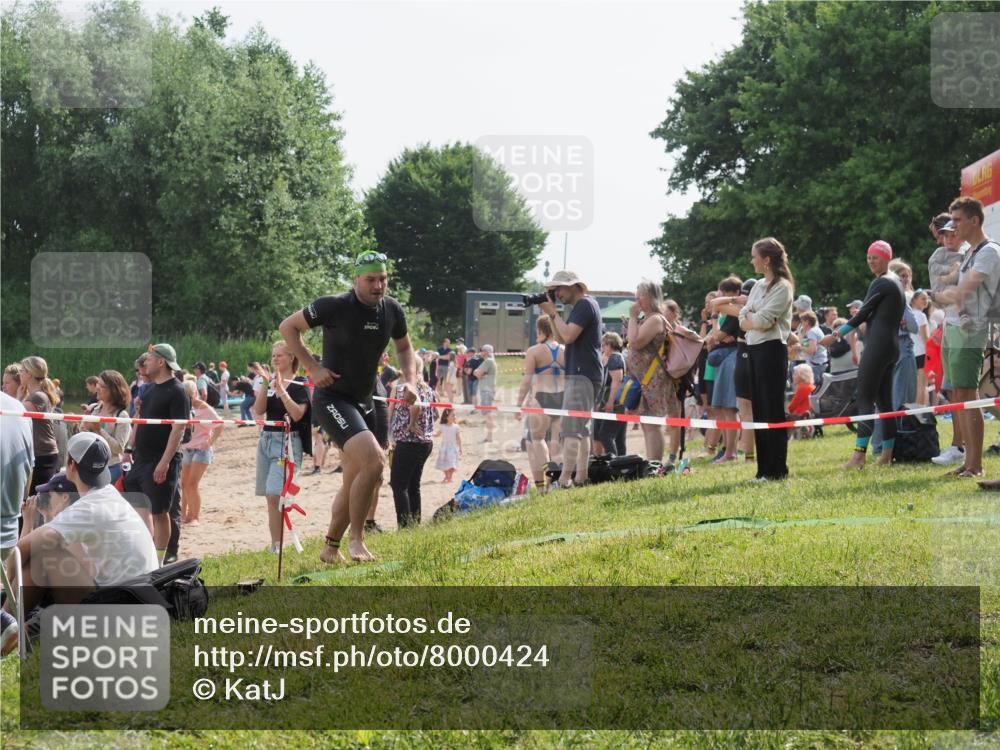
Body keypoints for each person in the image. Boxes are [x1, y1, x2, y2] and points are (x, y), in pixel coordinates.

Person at [278, 250, 416, 563]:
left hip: (365, 400)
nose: (378, 285)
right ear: (356, 279)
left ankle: (330, 548)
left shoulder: (392, 310)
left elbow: (405, 348)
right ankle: (358, 539)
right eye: (371, 280)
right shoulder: (334, 305)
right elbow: (287, 327)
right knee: (375, 462)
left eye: (383, 279)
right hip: (333, 398)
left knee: (359, 477)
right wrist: (313, 367)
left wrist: (410, 380)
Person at [3, 433, 158, 624]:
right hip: (138, 599)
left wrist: (9, 584)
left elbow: (21, 549)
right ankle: (8, 624)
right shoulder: (109, 495)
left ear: (72, 464)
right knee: (47, 554)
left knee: (43, 559)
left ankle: (5, 624)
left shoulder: (89, 506)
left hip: (122, 608)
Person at [929, 197, 999, 483]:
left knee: (969, 396)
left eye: (957, 220)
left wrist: (936, 296)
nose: (953, 226)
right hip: (954, 327)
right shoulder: (970, 251)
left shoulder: (989, 251)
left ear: (974, 220)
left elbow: (963, 291)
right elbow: (954, 285)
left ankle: (975, 464)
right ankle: (967, 461)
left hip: (973, 331)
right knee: (959, 395)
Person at [820, 241, 905, 469]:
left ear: (887, 259)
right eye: (868, 258)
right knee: (885, 403)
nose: (871, 262)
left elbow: (862, 315)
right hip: (891, 346)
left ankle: (859, 455)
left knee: (865, 398)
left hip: (878, 346)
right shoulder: (895, 281)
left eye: (875, 258)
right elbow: (877, 313)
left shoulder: (882, 282)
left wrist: (835, 335)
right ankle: (887, 454)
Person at [122, 343, 190, 562]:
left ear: (161, 362)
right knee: (140, 507)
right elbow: (140, 421)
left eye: (149, 359)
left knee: (160, 512)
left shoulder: (178, 390)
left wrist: (165, 462)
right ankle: (147, 551)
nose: (145, 362)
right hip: (141, 458)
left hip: (161, 459)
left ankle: (159, 561)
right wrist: (129, 448)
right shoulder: (148, 388)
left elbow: (178, 429)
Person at [538, 270, 602, 488]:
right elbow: (561, 337)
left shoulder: (584, 305)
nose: (557, 293)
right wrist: (551, 315)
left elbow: (567, 335)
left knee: (571, 428)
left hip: (583, 375)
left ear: (574, 286)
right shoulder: (585, 305)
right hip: (585, 374)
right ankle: (581, 477)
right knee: (581, 429)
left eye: (559, 288)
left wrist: (553, 313)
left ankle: (564, 479)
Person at [738, 237, 794, 482]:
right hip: (754, 350)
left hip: (772, 351)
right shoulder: (759, 285)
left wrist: (752, 319)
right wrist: (752, 318)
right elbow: (743, 316)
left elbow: (762, 320)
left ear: (767, 260)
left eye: (754, 256)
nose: (752, 261)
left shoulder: (783, 287)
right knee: (759, 410)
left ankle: (777, 470)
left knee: (772, 410)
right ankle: (763, 470)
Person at [252, 342, 310, 552]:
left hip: (287, 442)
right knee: (270, 497)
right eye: (273, 355)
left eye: (279, 355)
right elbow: (259, 410)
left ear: (292, 357)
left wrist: (281, 391)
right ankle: (276, 544)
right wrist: (266, 384)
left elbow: (297, 414)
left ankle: (278, 545)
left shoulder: (299, 383)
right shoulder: (271, 383)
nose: (275, 359)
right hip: (266, 440)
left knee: (274, 494)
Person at [627, 279, 679, 465]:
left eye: (640, 295)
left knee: (652, 425)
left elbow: (635, 342)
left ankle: (654, 464)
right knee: (647, 424)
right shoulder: (650, 318)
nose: (637, 299)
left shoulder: (656, 319)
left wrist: (632, 317)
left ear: (651, 297)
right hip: (646, 379)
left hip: (654, 379)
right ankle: (651, 463)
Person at [514, 315, 566, 487]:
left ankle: (548, 475)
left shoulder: (534, 351)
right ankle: (554, 482)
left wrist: (518, 404)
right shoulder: (565, 350)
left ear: (541, 330)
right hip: (562, 398)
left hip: (542, 398)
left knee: (537, 440)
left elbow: (527, 380)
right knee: (556, 445)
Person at [388, 375, 436, 527]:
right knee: (413, 486)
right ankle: (414, 524)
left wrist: (412, 423)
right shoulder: (428, 389)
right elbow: (435, 414)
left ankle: (405, 527)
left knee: (398, 485)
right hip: (425, 442)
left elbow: (415, 406)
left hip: (408, 441)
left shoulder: (403, 389)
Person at [179, 378, 223, 525]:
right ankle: (184, 515)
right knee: (184, 484)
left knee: (192, 484)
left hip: (201, 450)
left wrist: (209, 442)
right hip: (187, 448)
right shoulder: (183, 407)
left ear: (195, 394)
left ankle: (195, 517)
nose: (187, 399)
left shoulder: (204, 408)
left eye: (190, 396)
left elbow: (220, 425)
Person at [79, 370, 132, 484]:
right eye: (98, 384)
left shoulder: (121, 416)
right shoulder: (94, 408)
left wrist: (99, 430)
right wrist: (83, 427)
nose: (97, 388)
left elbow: (119, 448)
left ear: (113, 390)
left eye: (102, 386)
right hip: (89, 465)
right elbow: (83, 436)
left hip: (110, 468)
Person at [18, 356, 62, 495]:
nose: (20, 373)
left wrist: (18, 398)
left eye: (22, 370)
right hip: (40, 453)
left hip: (43, 455)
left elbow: (15, 415)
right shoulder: (35, 395)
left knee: (36, 499)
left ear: (29, 374)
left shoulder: (37, 397)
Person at [593, 332, 627, 458]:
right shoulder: (610, 357)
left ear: (611, 344)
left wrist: (610, 402)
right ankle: (622, 463)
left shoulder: (615, 358)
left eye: (604, 345)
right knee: (617, 438)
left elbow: (617, 381)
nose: (602, 348)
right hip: (612, 402)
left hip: (614, 403)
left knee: (605, 435)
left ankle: (614, 463)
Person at [473, 345, 499, 443]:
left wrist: (479, 373)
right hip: (486, 390)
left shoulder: (488, 361)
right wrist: (478, 373)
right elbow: (475, 373)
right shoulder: (487, 361)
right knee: (487, 414)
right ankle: (489, 437)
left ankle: (489, 437)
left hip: (487, 390)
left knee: (488, 414)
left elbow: (477, 374)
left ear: (487, 352)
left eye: (482, 350)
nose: (480, 352)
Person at [910, 289, 931, 405]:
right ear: (914, 300)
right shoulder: (921, 315)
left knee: (916, 386)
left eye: (927, 298)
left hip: (910, 354)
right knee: (922, 386)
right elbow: (926, 338)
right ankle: (920, 411)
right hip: (922, 354)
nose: (926, 301)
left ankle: (918, 410)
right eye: (923, 298)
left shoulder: (907, 315)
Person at [434, 408, 462, 483]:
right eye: (453, 415)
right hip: (444, 447)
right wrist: (430, 434)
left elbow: (458, 438)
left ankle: (450, 476)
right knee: (444, 462)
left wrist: (460, 448)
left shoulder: (456, 427)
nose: (455, 417)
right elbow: (437, 434)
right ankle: (447, 476)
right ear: (447, 416)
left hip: (453, 447)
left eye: (455, 415)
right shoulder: (443, 426)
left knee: (452, 463)